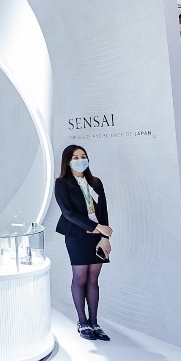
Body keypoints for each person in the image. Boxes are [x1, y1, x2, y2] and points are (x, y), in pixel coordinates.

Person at [55, 145, 112, 342]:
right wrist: (97, 228)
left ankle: (94, 323)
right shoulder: (62, 183)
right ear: (67, 161)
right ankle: (82, 321)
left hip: (98, 235)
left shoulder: (96, 182)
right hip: (77, 235)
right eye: (75, 157)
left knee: (93, 279)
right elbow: (68, 213)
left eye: (83, 156)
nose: (80, 160)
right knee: (80, 278)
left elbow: (103, 211)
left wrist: (104, 236)